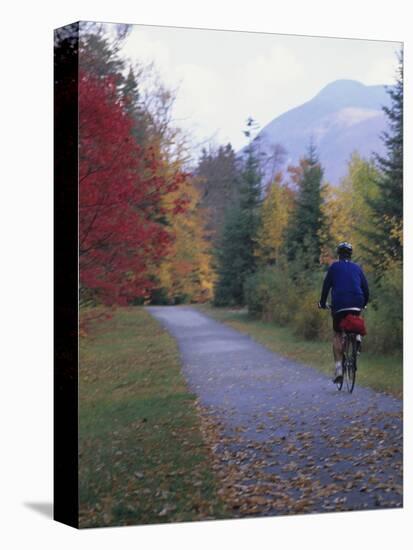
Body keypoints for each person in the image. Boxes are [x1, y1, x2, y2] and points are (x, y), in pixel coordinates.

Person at [318, 242, 369, 384]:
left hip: (339, 304)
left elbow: (326, 286)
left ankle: (339, 369)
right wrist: (364, 304)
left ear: (338, 254)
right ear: (350, 255)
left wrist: (322, 303)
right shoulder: (357, 268)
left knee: (338, 334)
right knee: (357, 314)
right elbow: (365, 289)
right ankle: (358, 336)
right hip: (357, 301)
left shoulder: (334, 267)